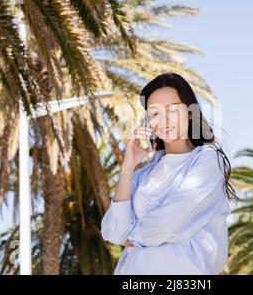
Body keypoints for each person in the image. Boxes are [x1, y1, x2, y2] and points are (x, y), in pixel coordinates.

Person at [101, 72, 238, 274]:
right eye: (155, 114)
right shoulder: (144, 174)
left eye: (172, 110)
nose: (163, 120)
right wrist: (128, 167)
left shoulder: (208, 160)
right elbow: (112, 231)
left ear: (190, 112)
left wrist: (133, 237)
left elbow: (171, 220)